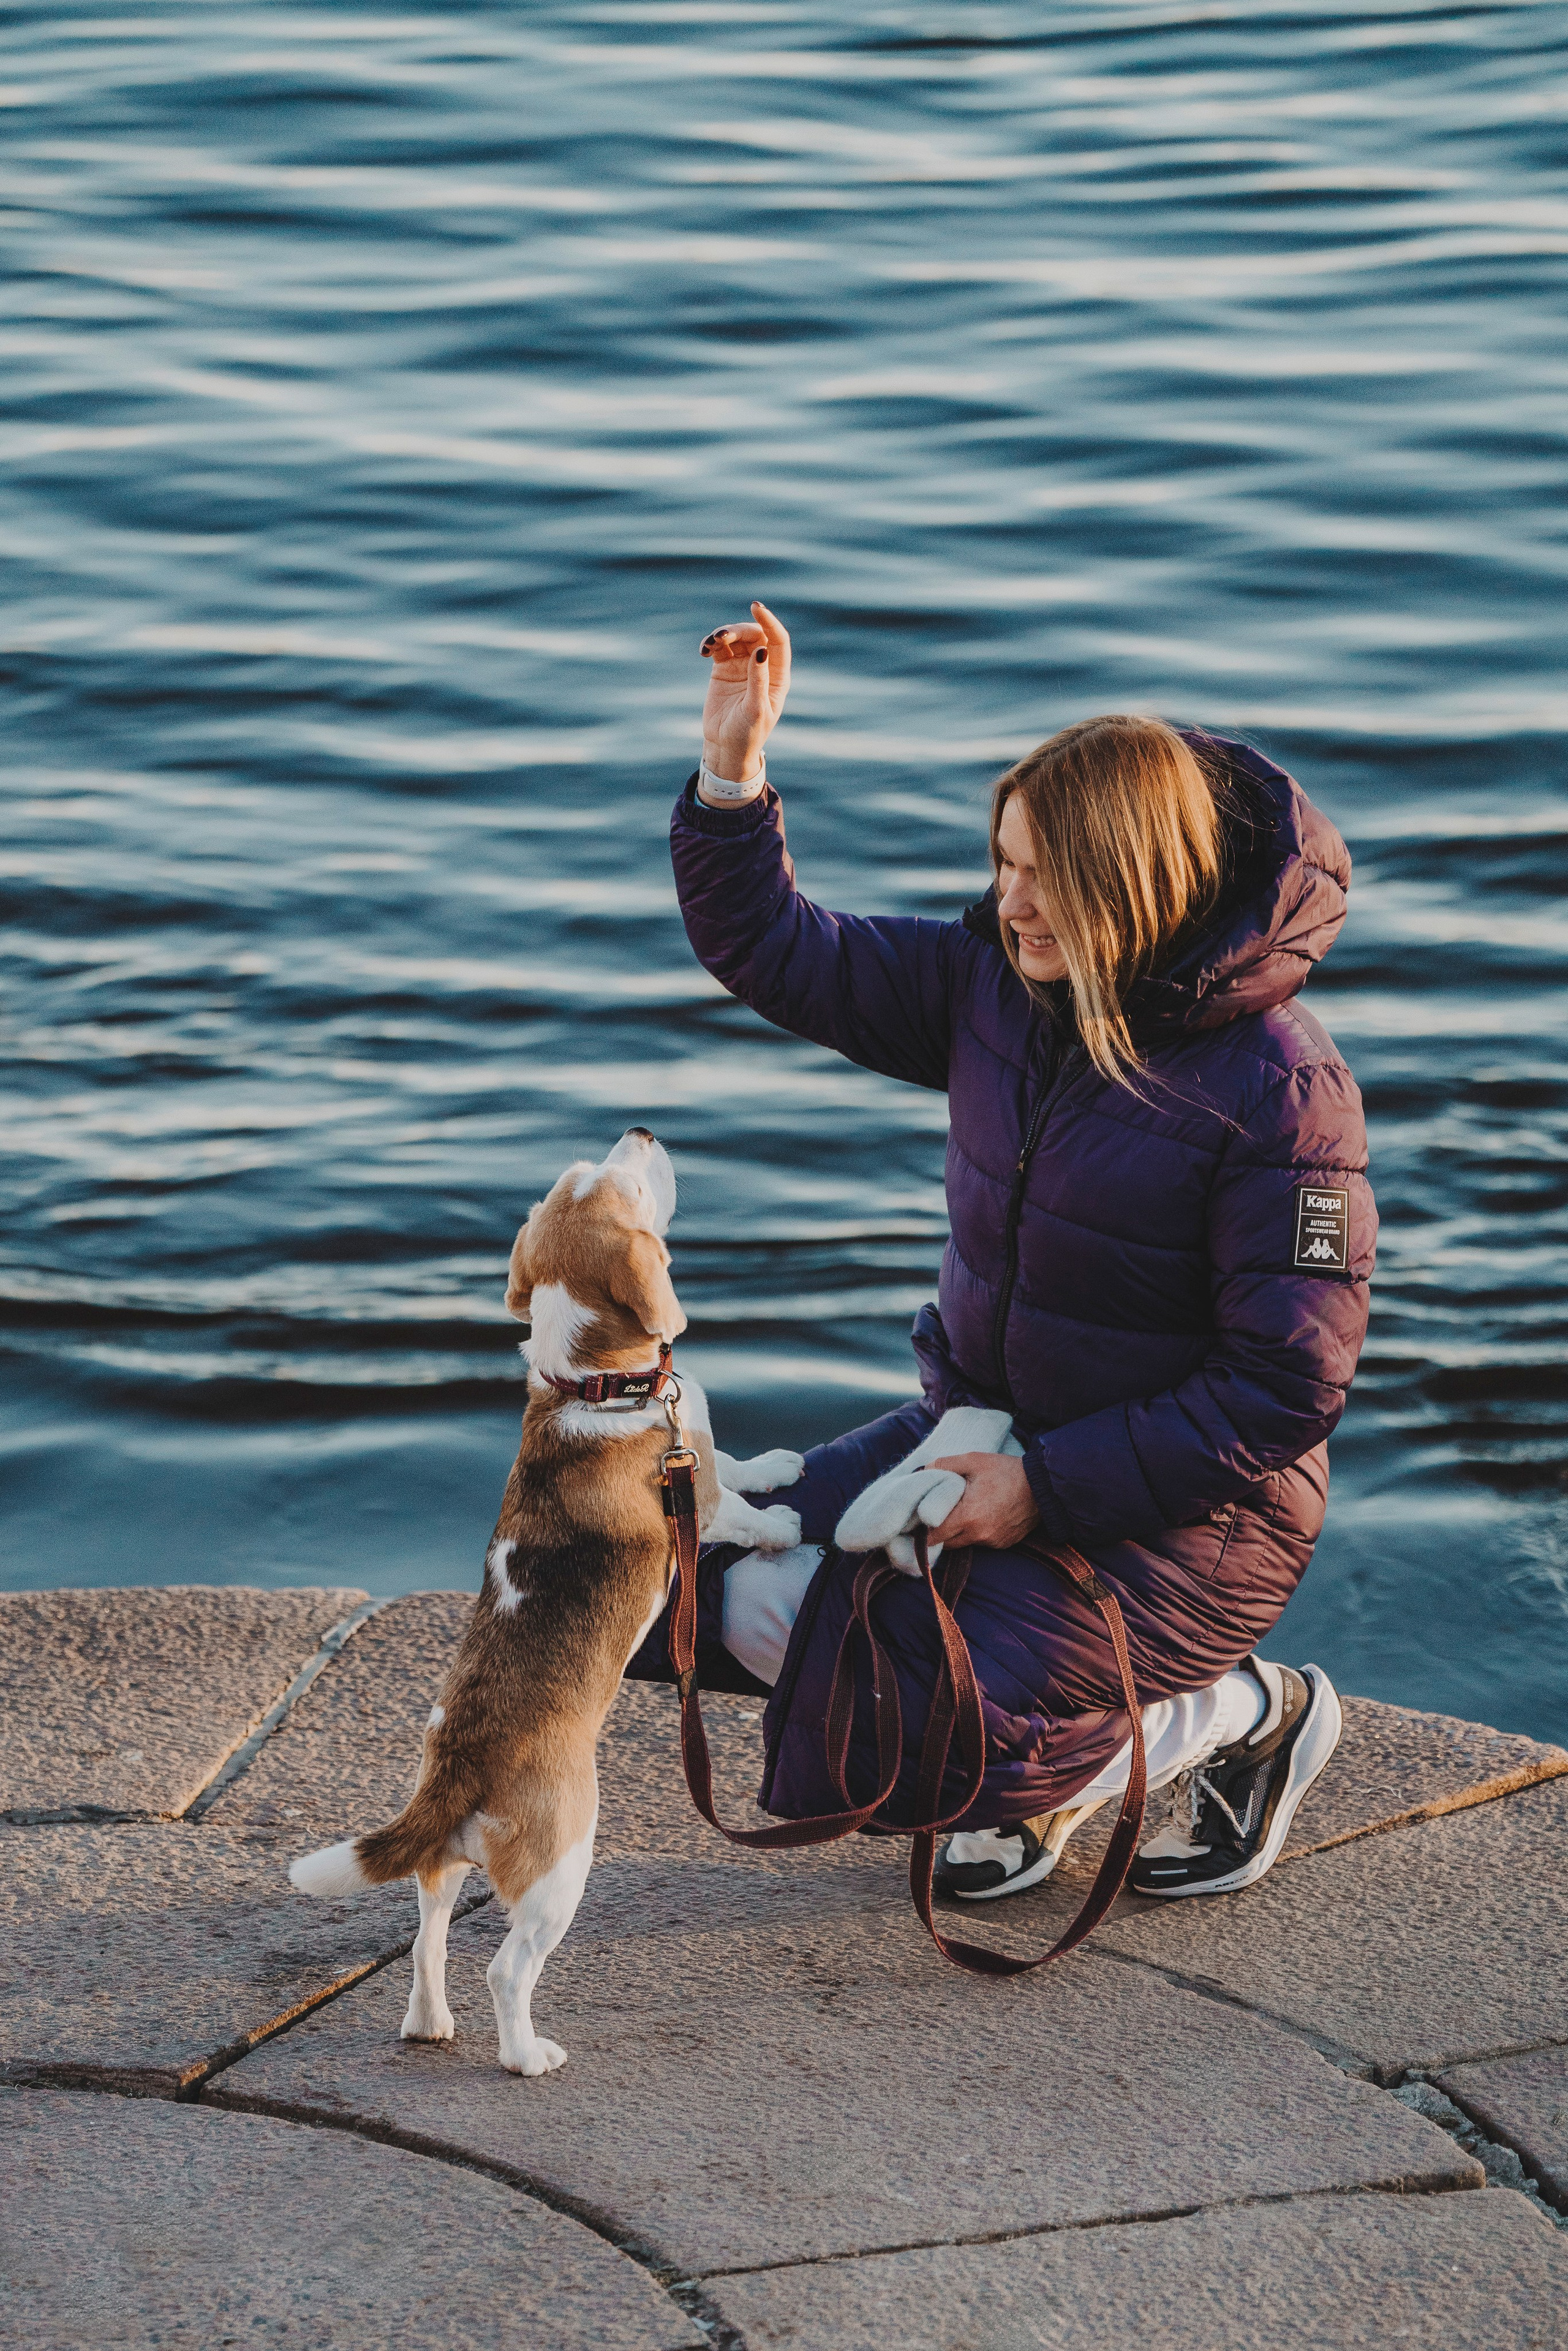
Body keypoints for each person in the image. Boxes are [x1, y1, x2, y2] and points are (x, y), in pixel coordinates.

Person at [629, 600, 1375, 1904]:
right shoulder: (995, 982)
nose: (1006, 902)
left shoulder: (1283, 1095)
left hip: (1196, 1515)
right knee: (663, 1578)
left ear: (1131, 881)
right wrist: (732, 773)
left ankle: (1244, 1715)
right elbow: (777, 949)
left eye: (1042, 875)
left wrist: (1036, 1492)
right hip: (975, 1425)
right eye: (1001, 862)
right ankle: (1022, 1779)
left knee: (892, 1696)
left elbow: (1284, 1388)